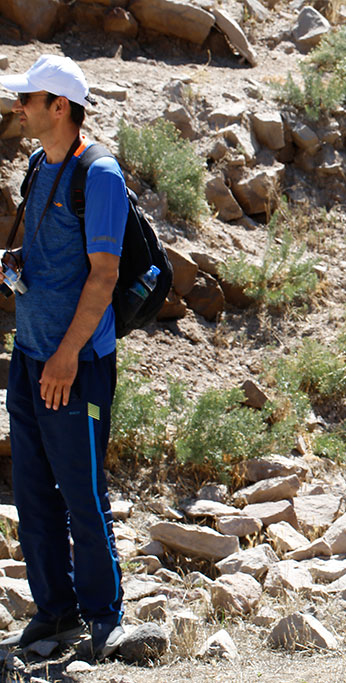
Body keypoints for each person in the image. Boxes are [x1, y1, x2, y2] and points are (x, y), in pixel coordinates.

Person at [0, 55, 125, 658]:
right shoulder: (36, 165)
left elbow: (104, 277)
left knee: (82, 492)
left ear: (61, 107)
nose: (18, 107)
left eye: (29, 98)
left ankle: (105, 615)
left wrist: (66, 356)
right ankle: (55, 611)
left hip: (76, 364)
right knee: (32, 491)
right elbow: (46, 247)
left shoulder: (99, 175)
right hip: (27, 357)